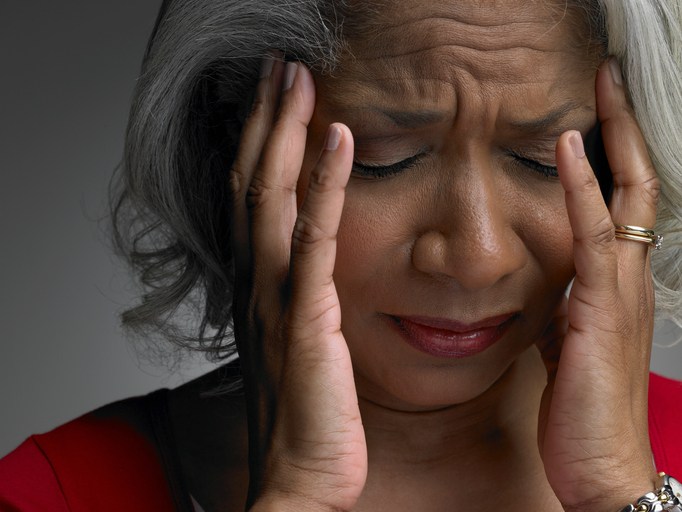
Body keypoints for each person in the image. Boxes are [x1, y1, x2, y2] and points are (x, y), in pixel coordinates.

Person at [2, 0, 682, 510]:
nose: (477, 256)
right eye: (387, 159)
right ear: (235, 147)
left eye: (541, 160)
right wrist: (296, 495)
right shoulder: (48, 495)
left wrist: (619, 491)